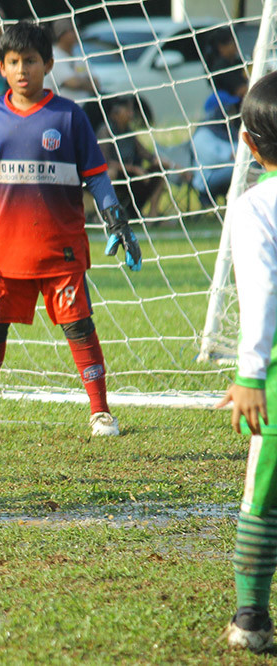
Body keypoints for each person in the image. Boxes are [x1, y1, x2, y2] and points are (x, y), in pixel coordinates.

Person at [0, 20, 143, 439]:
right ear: (1, 67)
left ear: (48, 64)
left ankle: (101, 412)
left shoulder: (70, 116)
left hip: (59, 246)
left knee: (78, 324)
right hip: (4, 249)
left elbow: (97, 176)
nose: (22, 69)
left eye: (30, 60)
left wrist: (116, 220)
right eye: (13, 62)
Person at [216, 70, 277, 653]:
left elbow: (261, 293)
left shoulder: (255, 205)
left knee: (261, 501)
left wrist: (250, 375)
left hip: (276, 381)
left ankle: (252, 619)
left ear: (248, 143)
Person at [97, 94, 169, 218]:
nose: (131, 114)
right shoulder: (105, 131)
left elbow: (147, 154)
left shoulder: (129, 132)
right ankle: (109, 214)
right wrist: (134, 169)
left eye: (131, 110)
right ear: (115, 113)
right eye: (127, 110)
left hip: (133, 176)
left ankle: (153, 215)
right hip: (119, 175)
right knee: (109, 173)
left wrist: (168, 164)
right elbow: (105, 162)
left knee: (161, 169)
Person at [193, 74, 246, 205]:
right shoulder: (203, 134)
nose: (232, 112)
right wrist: (242, 154)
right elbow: (218, 159)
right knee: (243, 168)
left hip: (228, 168)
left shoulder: (228, 131)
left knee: (247, 167)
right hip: (209, 178)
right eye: (228, 109)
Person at [43, 19, 97, 104]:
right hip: (64, 107)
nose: (76, 33)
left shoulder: (79, 55)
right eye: (72, 30)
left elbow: (96, 83)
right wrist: (86, 81)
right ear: (61, 34)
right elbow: (73, 82)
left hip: (86, 104)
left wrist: (80, 83)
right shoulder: (53, 56)